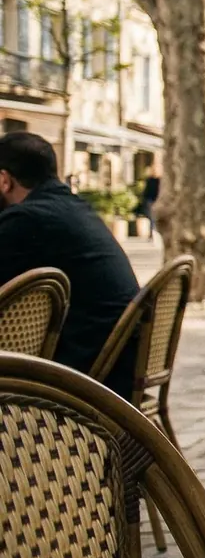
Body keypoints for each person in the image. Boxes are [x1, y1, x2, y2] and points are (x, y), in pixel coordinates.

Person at [0, 132, 141, 397]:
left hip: (83, 375)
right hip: (118, 363)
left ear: (4, 181)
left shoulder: (26, 219)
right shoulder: (72, 208)